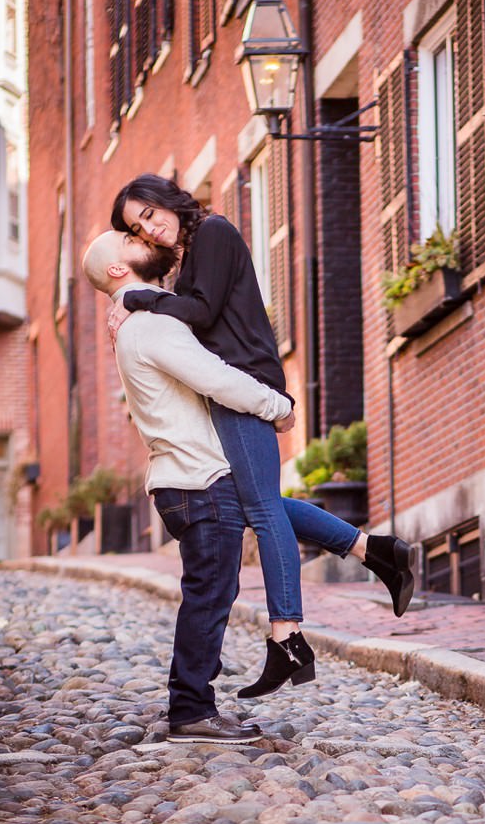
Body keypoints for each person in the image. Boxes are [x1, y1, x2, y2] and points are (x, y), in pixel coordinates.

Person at [106, 173, 417, 693]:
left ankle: (288, 637)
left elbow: (202, 313)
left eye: (151, 213)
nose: (153, 228)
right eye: (140, 227)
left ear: (169, 200)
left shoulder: (216, 232)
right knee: (257, 502)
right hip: (231, 385)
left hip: (244, 381)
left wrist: (138, 297)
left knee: (262, 510)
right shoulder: (190, 254)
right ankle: (376, 551)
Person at [81, 228, 356, 739]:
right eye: (129, 236)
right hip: (198, 481)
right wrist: (279, 407)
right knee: (209, 595)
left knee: (215, 584)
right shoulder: (150, 325)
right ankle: (190, 710)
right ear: (119, 270)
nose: (142, 235)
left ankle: (368, 548)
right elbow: (216, 377)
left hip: (186, 480)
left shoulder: (145, 318)